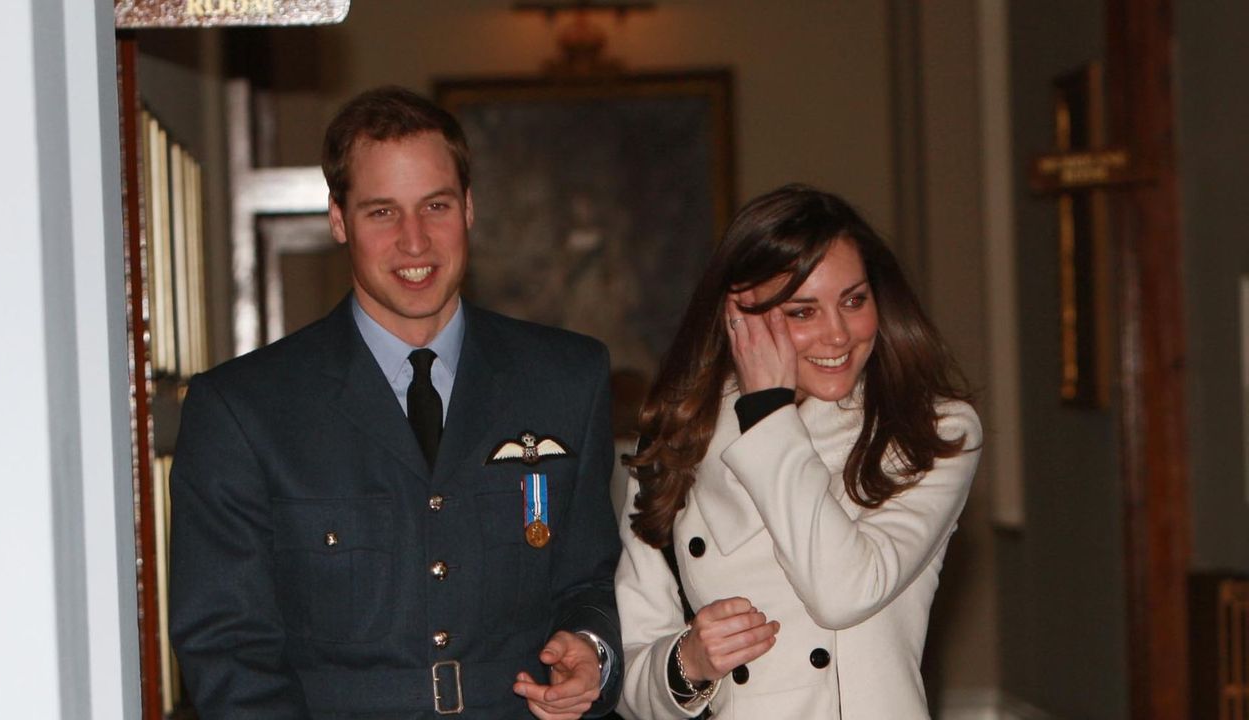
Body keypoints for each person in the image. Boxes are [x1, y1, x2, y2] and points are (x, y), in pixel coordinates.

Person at [169, 85, 623, 720]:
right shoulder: (244, 409)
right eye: (382, 212)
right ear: (338, 219)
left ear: (468, 207)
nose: (416, 242)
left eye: (434, 205)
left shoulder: (566, 378)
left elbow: (591, 582)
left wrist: (591, 651)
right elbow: (228, 651)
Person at [613, 184, 982, 719]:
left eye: (854, 301)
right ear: (740, 317)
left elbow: (842, 592)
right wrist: (685, 664)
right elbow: (629, 668)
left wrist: (767, 415)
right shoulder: (678, 438)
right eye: (803, 312)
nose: (838, 335)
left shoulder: (932, 431)